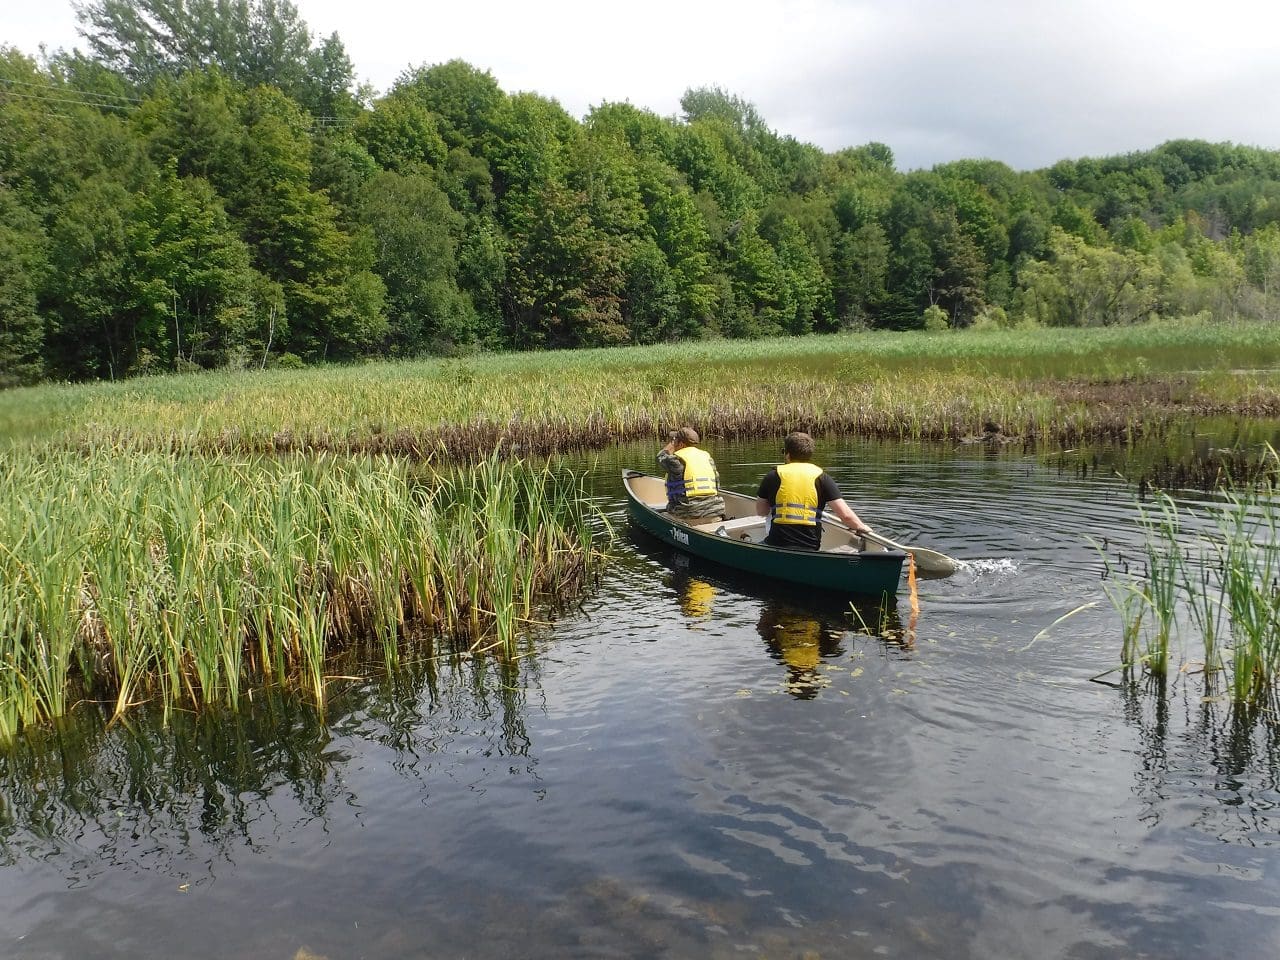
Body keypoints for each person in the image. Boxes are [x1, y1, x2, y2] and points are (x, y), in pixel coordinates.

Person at [755, 431, 872, 550]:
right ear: (809, 455)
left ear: (787, 454)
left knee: (756, 544)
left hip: (777, 544)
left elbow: (761, 511)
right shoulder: (822, 478)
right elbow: (846, 516)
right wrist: (861, 526)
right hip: (810, 546)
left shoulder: (772, 476)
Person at [657, 426, 725, 521]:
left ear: (680, 443)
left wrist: (672, 444)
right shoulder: (708, 459)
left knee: (662, 515)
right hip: (714, 513)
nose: (674, 443)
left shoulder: (675, 460)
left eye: (675, 440)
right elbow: (717, 486)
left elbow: (660, 456)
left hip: (687, 515)